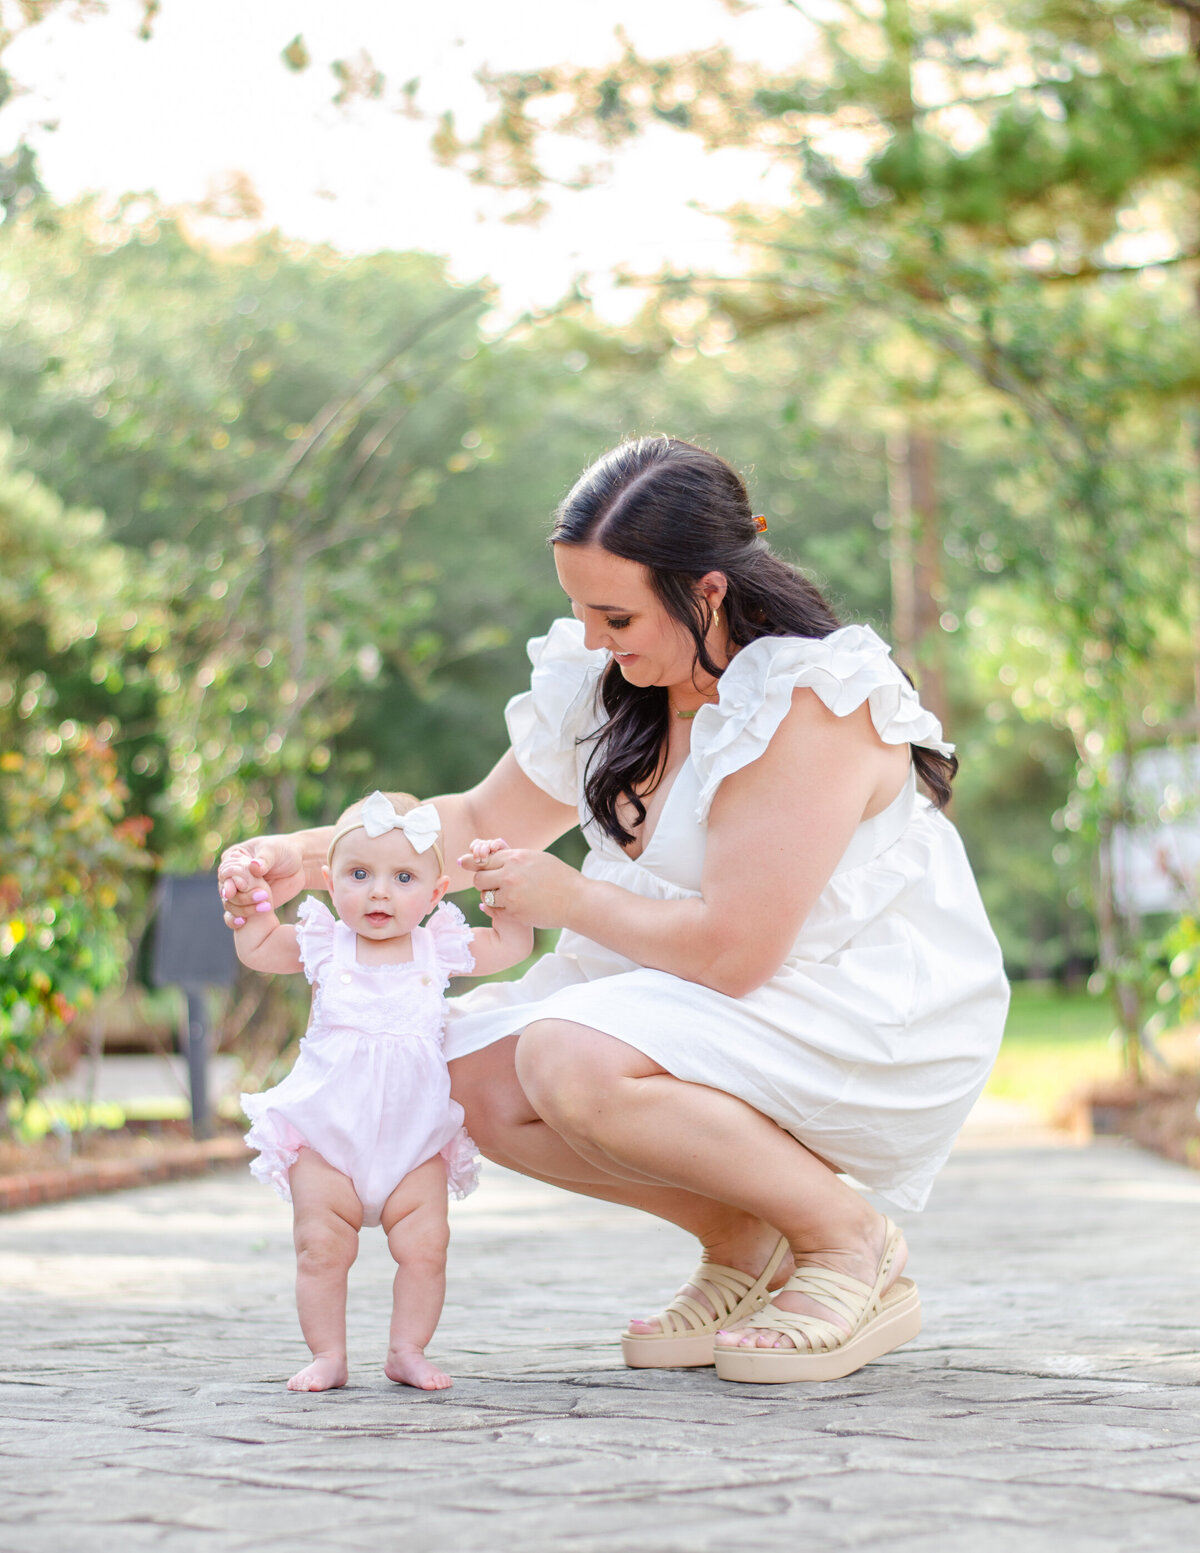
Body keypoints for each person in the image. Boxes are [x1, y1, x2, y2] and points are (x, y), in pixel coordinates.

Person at [220, 436, 1009, 1387]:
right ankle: (746, 1243)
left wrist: (570, 898)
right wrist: (299, 860)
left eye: (616, 612)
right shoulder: (621, 679)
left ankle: (849, 1245)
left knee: (566, 1055)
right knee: (455, 1067)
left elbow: (736, 951)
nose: (595, 636)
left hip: (854, 1001)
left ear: (706, 590)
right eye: (579, 608)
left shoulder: (807, 704)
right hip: (692, 984)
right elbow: (475, 820)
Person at [229, 789, 532, 1393]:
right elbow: (260, 947)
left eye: (403, 877)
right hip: (327, 1137)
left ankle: (406, 1349)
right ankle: (328, 1355)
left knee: (427, 1247)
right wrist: (251, 903)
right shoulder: (324, 943)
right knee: (320, 1247)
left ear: (438, 891)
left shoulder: (436, 947)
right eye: (360, 874)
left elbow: (512, 947)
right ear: (328, 879)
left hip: (412, 1143)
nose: (379, 892)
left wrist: (505, 892)